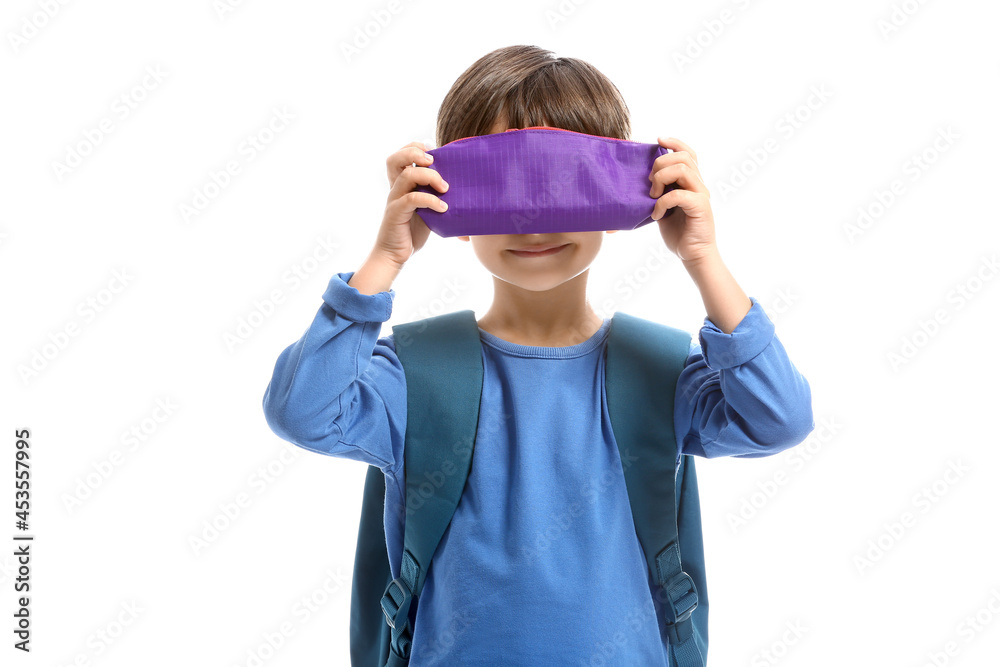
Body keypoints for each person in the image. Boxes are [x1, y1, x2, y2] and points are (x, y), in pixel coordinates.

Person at [262, 44, 814, 666]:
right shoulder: (417, 374)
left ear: (622, 199)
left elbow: (778, 419)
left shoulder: (656, 370)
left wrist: (703, 259)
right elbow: (302, 410)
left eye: (568, 183)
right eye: (501, 184)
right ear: (451, 207)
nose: (534, 222)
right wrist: (384, 262)